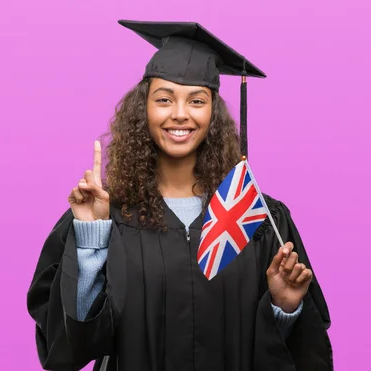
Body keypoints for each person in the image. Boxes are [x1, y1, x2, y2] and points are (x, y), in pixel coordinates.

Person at [26, 20, 332, 371]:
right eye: (164, 99)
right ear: (144, 111)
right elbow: (72, 347)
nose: (180, 114)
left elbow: (292, 349)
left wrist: (284, 307)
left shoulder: (256, 217)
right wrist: (92, 239)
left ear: (213, 115)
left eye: (197, 101)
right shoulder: (107, 214)